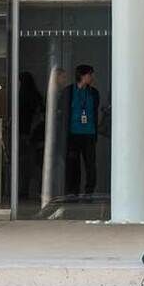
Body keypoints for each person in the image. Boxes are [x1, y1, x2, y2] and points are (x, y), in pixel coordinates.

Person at [62, 64, 103, 200]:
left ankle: (89, 191)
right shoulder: (69, 91)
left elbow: (95, 110)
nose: (92, 77)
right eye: (90, 74)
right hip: (73, 134)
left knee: (90, 164)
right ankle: (72, 191)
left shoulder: (94, 93)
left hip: (89, 133)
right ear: (82, 76)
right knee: (73, 163)